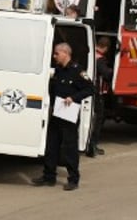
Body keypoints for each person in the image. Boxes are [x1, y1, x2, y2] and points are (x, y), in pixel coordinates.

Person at [33, 42, 94, 190]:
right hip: (56, 113)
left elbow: (90, 89)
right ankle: (49, 176)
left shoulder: (77, 71)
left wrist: (73, 98)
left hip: (69, 114)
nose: (54, 56)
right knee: (52, 146)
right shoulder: (58, 70)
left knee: (69, 148)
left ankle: (73, 179)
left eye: (56, 54)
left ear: (65, 53)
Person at [85, 36, 113, 157]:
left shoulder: (91, 53)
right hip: (97, 92)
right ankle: (93, 146)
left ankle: (89, 145)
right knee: (98, 120)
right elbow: (106, 74)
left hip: (89, 90)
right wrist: (113, 70)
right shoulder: (100, 59)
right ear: (106, 48)